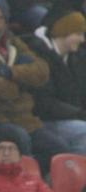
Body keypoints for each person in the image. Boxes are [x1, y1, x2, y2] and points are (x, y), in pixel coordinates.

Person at [0, 0, 65, 163]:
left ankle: (35, 178)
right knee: (20, 138)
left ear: (5, 22)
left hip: (25, 119)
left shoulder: (13, 42)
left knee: (58, 149)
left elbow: (42, 70)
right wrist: (22, 85)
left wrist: (11, 72)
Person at [24, 8, 86, 156]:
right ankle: (72, 170)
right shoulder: (38, 54)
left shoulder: (75, 58)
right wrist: (79, 113)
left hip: (71, 118)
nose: (82, 40)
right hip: (43, 121)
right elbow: (44, 103)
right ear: (63, 32)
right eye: (78, 34)